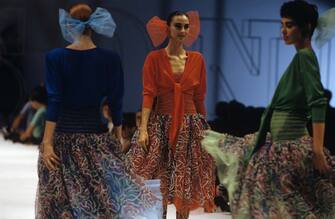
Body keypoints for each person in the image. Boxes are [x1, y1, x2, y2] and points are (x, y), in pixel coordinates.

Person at [202, 1, 335, 218]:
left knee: (284, 205)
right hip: (279, 142)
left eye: (289, 25)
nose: (283, 30)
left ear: (306, 27)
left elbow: (318, 103)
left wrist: (318, 150)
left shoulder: (305, 58)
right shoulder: (301, 58)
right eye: (282, 24)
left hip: (289, 144)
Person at [36, 4, 161, 218]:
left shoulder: (55, 57)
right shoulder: (110, 59)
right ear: (92, 26)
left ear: (70, 26)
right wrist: (118, 134)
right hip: (97, 140)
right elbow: (116, 101)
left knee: (60, 206)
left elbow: (55, 100)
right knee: (101, 202)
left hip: (63, 141)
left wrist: (47, 142)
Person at [127, 11, 216, 219]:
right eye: (178, 26)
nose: (183, 30)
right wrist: (143, 129)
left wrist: (206, 130)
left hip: (190, 126)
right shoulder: (154, 58)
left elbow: (200, 97)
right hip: (161, 125)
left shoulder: (197, 59)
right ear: (167, 28)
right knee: (161, 179)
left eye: (186, 26)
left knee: (184, 180)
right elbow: (148, 95)